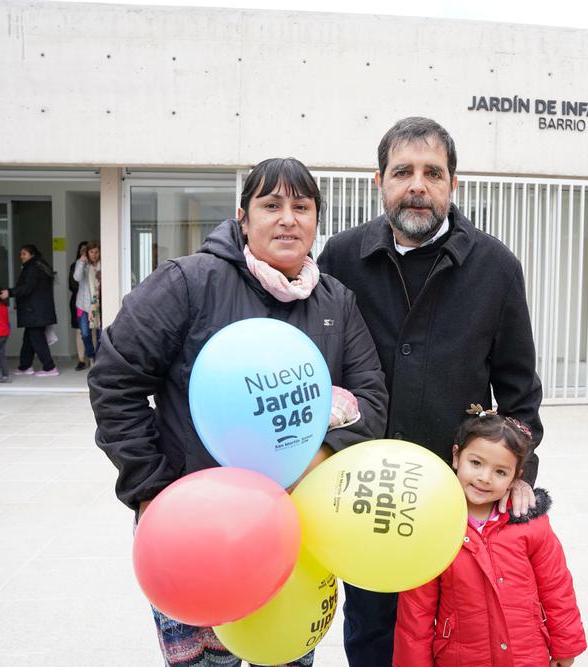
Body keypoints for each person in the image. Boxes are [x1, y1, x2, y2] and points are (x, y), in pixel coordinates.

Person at [88, 157, 388, 667]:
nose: (287, 219)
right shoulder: (188, 282)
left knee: (286, 656)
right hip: (198, 533)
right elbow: (115, 380)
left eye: (301, 206)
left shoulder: (336, 300)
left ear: (317, 220)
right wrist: (151, 492)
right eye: (271, 205)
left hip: (291, 536)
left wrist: (317, 456)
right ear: (243, 218)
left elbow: (372, 402)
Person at [317, 116, 544, 666]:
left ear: (453, 185)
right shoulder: (341, 259)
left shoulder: (495, 267)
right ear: (379, 182)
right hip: (363, 495)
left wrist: (518, 474)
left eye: (432, 173)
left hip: (455, 499)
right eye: (403, 172)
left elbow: (519, 391)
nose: (417, 185)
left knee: (451, 636)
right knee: (371, 630)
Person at [394, 407, 585, 667]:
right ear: (456, 456)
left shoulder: (531, 524)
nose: (485, 478)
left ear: (516, 477)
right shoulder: (434, 527)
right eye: (476, 463)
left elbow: (556, 587)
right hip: (462, 658)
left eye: (500, 472)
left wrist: (566, 646)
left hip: (526, 655)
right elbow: (416, 612)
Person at [0, 244, 58, 377]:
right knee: (28, 339)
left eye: (24, 254)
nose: (21, 257)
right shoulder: (39, 266)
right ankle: (25, 366)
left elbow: (28, 287)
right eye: (21, 254)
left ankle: (49, 367)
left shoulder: (32, 268)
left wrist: (10, 292)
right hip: (37, 310)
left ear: (32, 254)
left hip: (34, 311)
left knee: (37, 339)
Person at [72, 240, 102, 368]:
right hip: (83, 305)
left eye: (96, 252)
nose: (94, 255)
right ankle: (91, 356)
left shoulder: (103, 265)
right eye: (91, 252)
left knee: (101, 335)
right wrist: (80, 262)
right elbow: (76, 278)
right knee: (85, 333)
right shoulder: (84, 266)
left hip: (100, 305)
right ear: (87, 253)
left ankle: (99, 359)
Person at [69, 240, 89, 370]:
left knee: (93, 331)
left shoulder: (96, 265)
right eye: (82, 250)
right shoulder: (75, 266)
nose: (84, 253)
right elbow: (73, 284)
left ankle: (92, 357)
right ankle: (81, 359)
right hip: (78, 302)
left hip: (93, 303)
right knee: (79, 331)